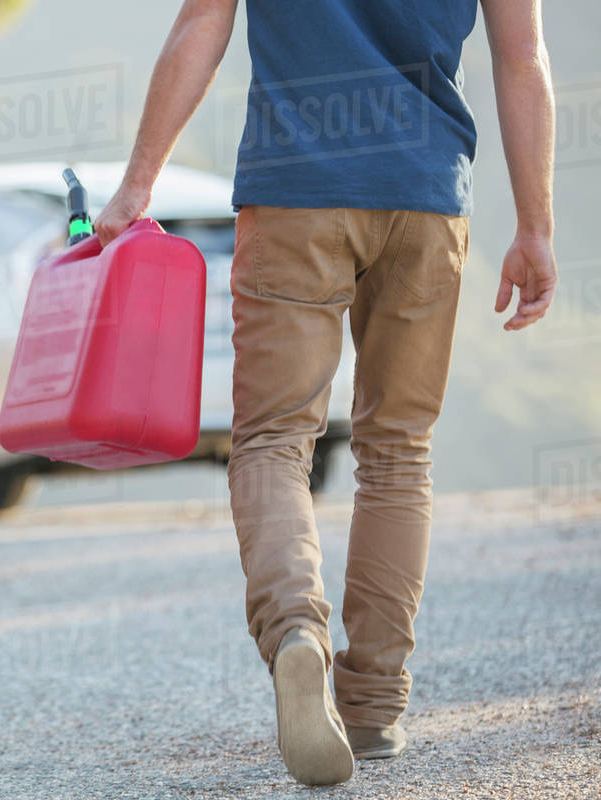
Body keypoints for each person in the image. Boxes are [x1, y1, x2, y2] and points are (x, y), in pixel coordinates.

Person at [94, 0, 557, 787]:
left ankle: (295, 635)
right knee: (398, 453)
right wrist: (536, 227)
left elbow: (200, 23)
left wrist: (137, 187)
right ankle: (373, 705)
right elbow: (524, 59)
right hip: (425, 195)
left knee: (275, 439)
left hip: (293, 191)